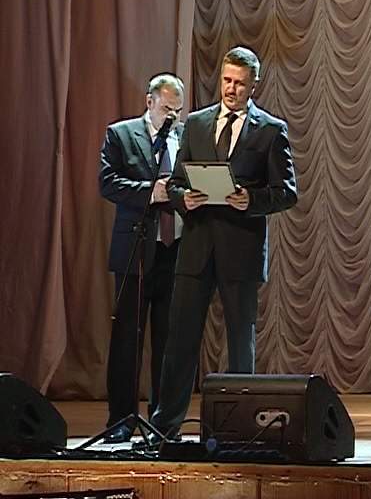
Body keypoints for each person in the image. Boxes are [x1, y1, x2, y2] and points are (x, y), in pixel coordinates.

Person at [150, 46, 298, 439]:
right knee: (180, 341)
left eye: (240, 84)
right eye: (227, 81)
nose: (231, 89)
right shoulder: (197, 124)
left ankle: (239, 428)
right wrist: (184, 199)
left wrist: (253, 200)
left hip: (241, 250)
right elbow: (176, 182)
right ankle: (166, 426)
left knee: (239, 343)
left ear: (254, 86)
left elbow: (287, 191)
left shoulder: (270, 130)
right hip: (196, 248)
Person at [99, 74, 185, 443]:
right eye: (166, 109)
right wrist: (151, 193)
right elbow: (108, 183)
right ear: (149, 102)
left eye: (177, 111)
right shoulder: (121, 134)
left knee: (168, 341)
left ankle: (162, 421)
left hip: (174, 251)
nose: (172, 118)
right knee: (127, 340)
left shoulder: (184, 138)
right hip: (135, 251)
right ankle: (121, 418)